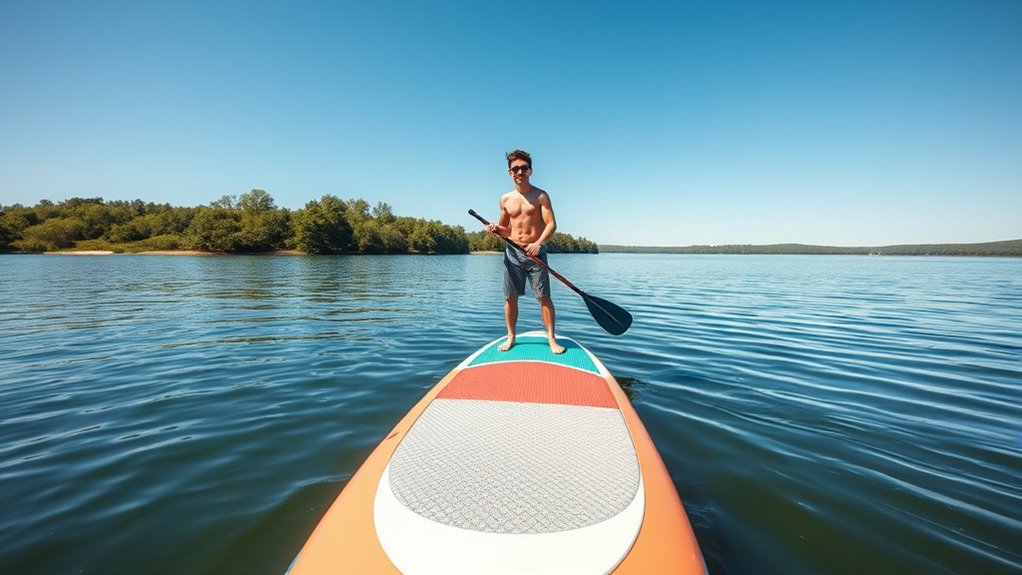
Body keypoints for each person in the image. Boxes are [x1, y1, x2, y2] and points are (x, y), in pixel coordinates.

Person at [486, 150, 566, 354]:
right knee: (510, 297)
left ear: (530, 170)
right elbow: (506, 229)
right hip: (512, 253)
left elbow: (551, 224)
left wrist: (539, 243)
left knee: (544, 297)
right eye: (515, 169)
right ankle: (511, 336)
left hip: (536, 253)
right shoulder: (505, 199)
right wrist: (496, 229)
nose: (519, 171)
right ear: (509, 173)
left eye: (523, 168)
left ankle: (551, 338)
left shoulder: (540, 195)